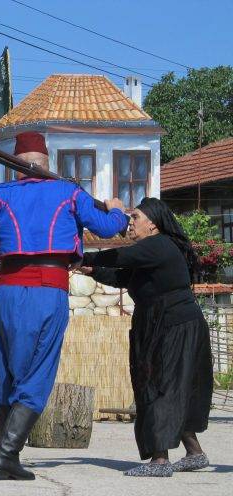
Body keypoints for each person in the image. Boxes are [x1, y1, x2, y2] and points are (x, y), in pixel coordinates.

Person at [0, 131, 127, 480]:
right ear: (47, 162)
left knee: (7, 371)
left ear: (14, 166)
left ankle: (8, 455)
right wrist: (118, 210)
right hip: (48, 292)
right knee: (38, 371)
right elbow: (108, 228)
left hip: (6, 292)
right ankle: (6, 456)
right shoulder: (69, 192)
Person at [80, 198, 213, 477]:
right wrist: (92, 269)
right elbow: (124, 276)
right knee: (177, 386)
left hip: (173, 324)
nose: (130, 223)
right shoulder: (152, 251)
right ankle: (194, 452)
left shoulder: (158, 245)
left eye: (135, 217)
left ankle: (160, 460)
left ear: (152, 223)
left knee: (161, 384)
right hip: (170, 323)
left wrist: (82, 256)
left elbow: (119, 258)